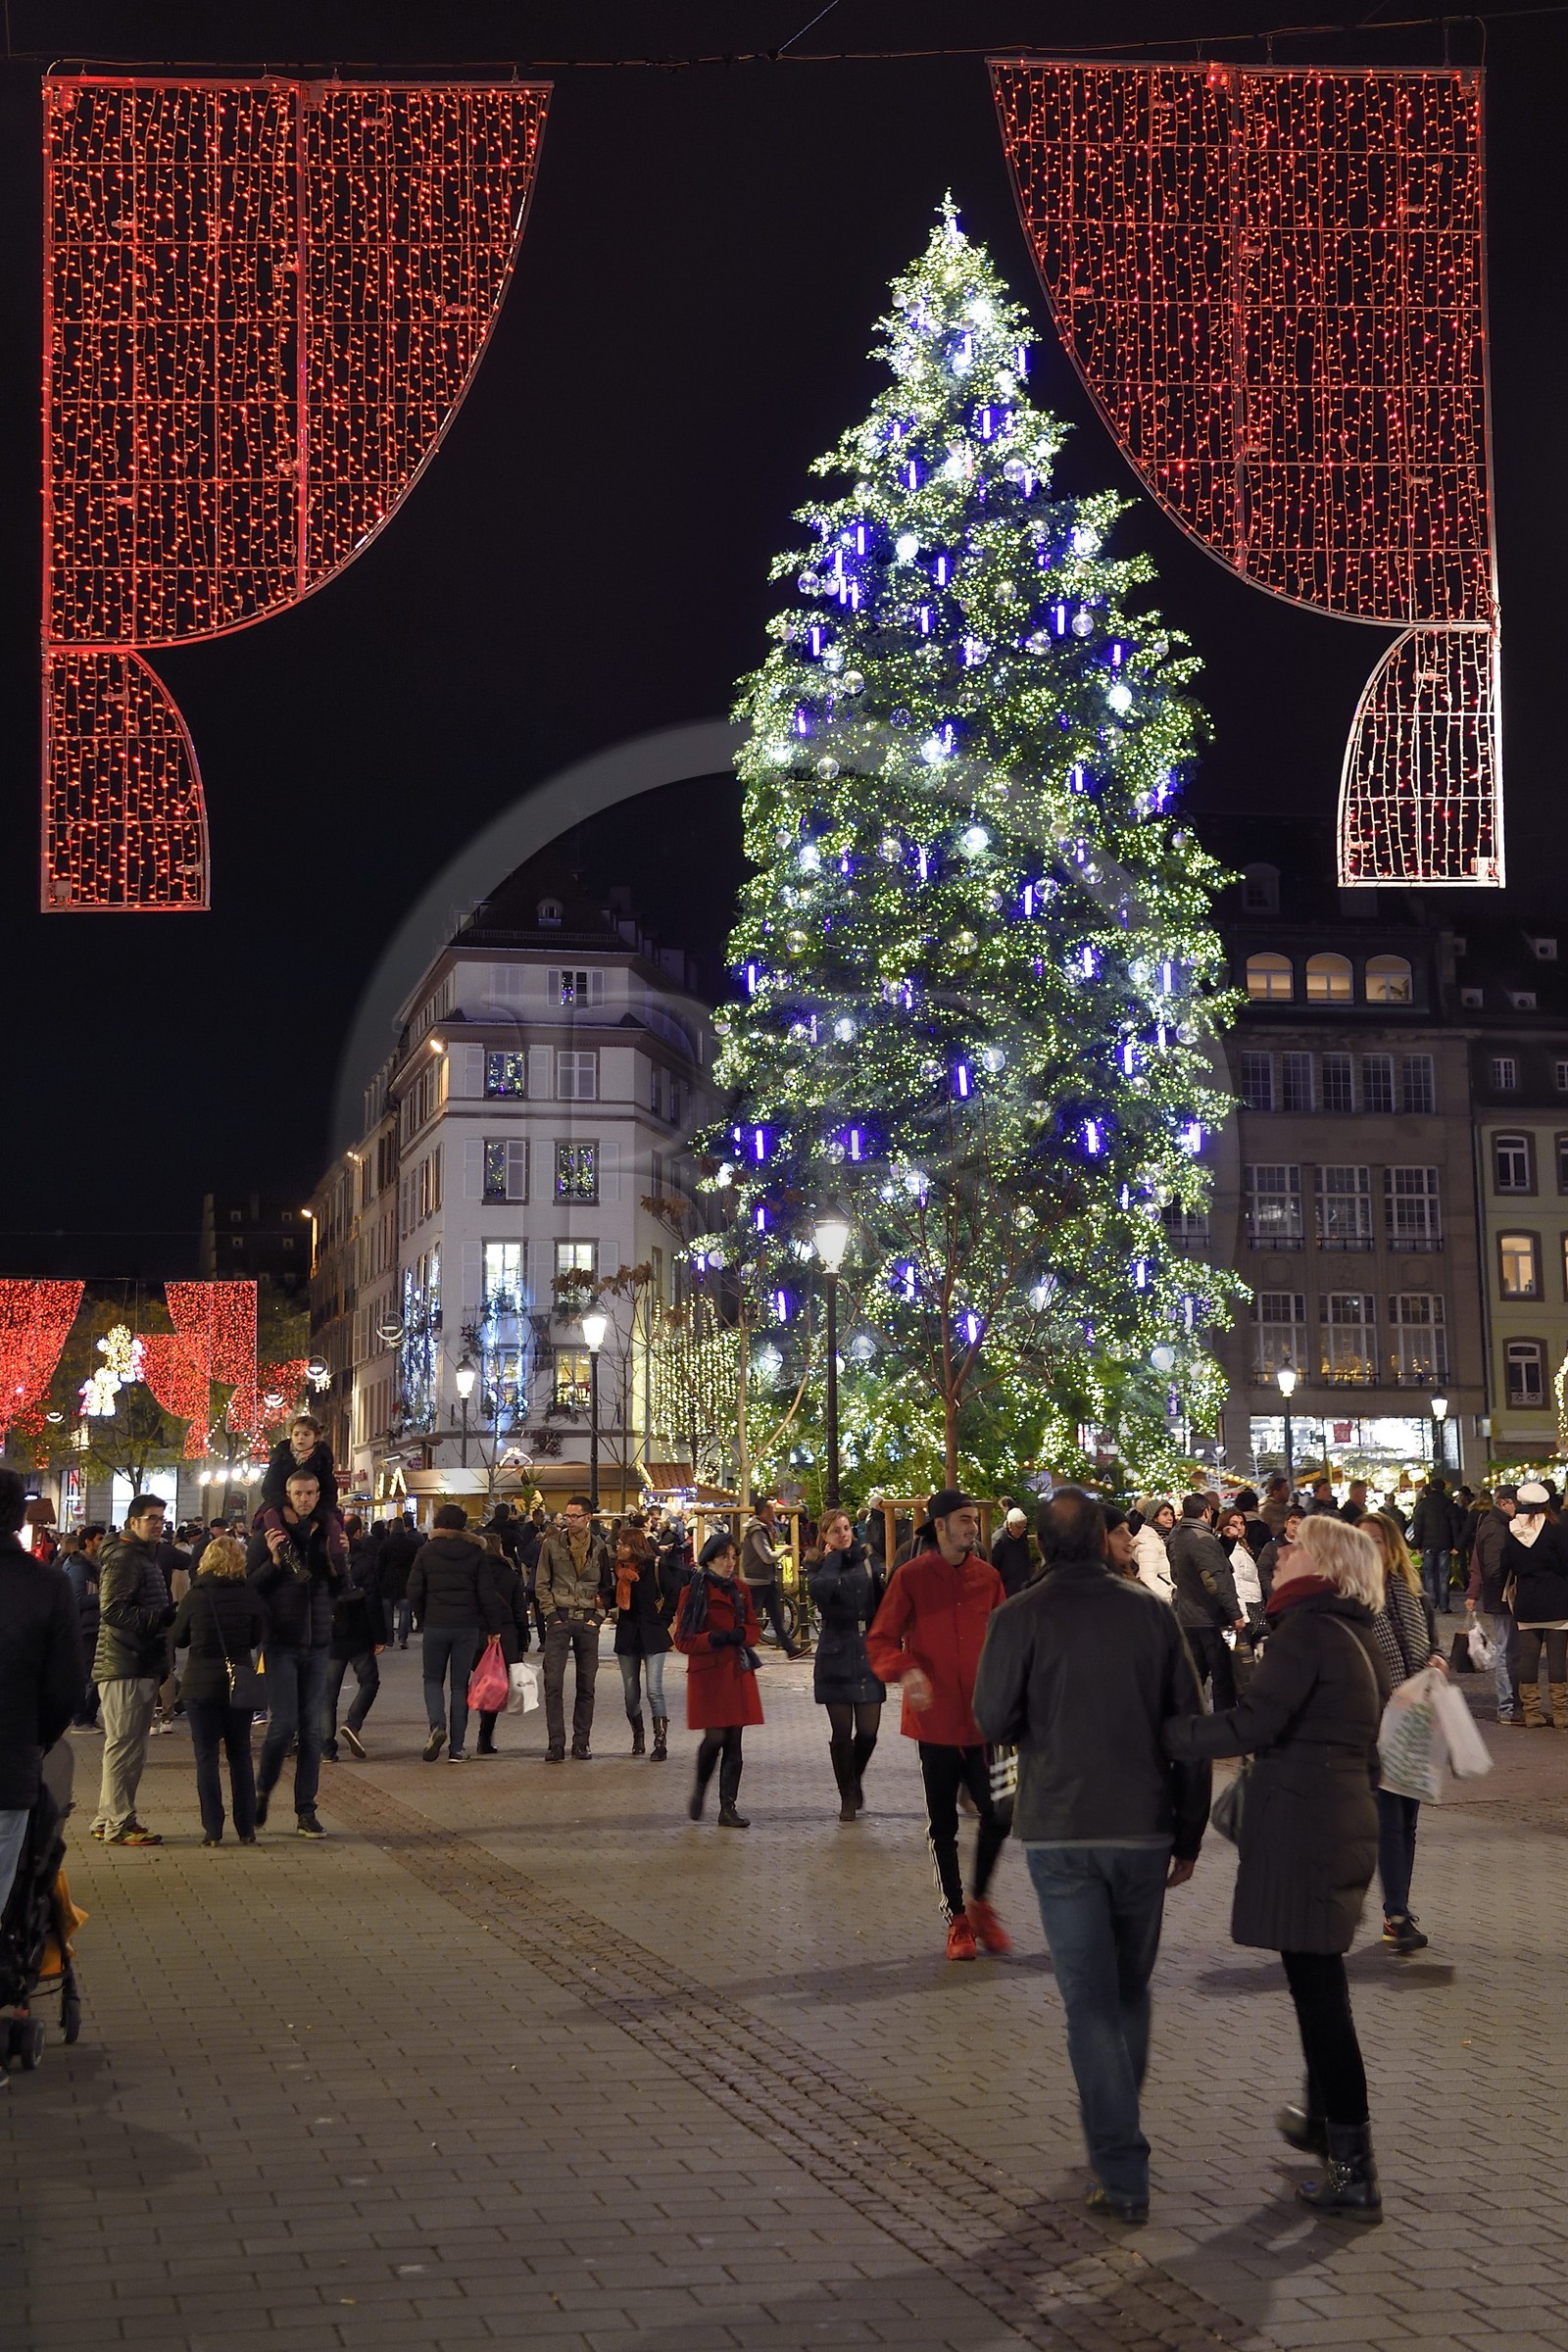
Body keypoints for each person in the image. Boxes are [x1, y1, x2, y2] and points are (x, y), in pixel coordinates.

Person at [973, 1488, 1208, 2225]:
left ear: (1039, 1544)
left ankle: (1119, 2162)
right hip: (1143, 1826)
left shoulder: (1017, 1617)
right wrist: (1190, 1829)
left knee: (1089, 2004)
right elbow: (1189, 1727)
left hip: (1061, 1827)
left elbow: (990, 1716)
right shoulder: (1148, 1612)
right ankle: (1116, 2133)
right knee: (1128, 1992)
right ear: (1104, 1538)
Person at [1163, 1513, 1391, 2221]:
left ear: (1321, 1562)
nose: (1278, 1553)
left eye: (1292, 1547)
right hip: (1338, 1815)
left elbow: (1255, 1723)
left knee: (1320, 1996)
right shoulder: (1350, 1631)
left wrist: (1169, 1732)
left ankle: (1354, 2166)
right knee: (1316, 1982)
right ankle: (1326, 2126)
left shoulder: (1308, 1632)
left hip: (1310, 1825)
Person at [864, 1489, 1009, 1960]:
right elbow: (881, 1639)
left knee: (1000, 1813)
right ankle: (957, 1920)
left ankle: (981, 1900)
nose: (973, 1527)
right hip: (936, 1724)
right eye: (964, 1520)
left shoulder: (988, 1578)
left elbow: (1007, 1642)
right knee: (942, 1823)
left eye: (975, 1519)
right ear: (940, 1525)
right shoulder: (911, 1577)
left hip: (987, 1721)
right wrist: (904, 1669)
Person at [1360, 1512, 1444, 1954]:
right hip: (1377, 1716)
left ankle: (1399, 1910)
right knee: (1389, 1818)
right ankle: (1395, 1912)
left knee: (1408, 1821)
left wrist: (1438, 1660)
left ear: (1391, 1544)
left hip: (1417, 1713)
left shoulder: (1413, 1591)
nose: (1368, 1547)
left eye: (1374, 1540)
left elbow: (1434, 1643)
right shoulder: (1352, 1594)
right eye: (1362, 1541)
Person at [0, 1467, 83, 1912]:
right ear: (19, 1518)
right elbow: (67, 1686)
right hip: (9, 1765)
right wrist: (35, 1740)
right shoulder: (46, 1585)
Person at [247, 1469, 346, 1836]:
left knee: (312, 1732)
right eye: (298, 1493)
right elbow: (250, 1586)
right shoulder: (268, 1534)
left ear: (318, 1494)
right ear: (288, 1495)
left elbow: (338, 1590)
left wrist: (339, 1563)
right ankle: (262, 1790)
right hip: (280, 1643)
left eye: (310, 1492)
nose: (305, 1499)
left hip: (318, 1643)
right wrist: (274, 1563)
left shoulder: (328, 1534)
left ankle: (306, 1810)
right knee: (283, 1725)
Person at [91, 1494, 176, 1845]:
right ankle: (118, 1823)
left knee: (126, 1746)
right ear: (132, 1522)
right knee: (125, 1747)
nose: (158, 1523)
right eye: (151, 1518)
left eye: (161, 1518)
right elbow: (112, 1609)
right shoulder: (127, 1557)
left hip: (135, 1661)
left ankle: (108, 1817)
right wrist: (161, 1618)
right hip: (125, 1663)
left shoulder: (141, 1555)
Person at [172, 1536, 267, 1845]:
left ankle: (213, 1830)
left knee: (206, 1757)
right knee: (241, 1754)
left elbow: (178, 1638)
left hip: (200, 1684)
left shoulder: (195, 1596)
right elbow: (256, 1638)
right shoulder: (249, 1595)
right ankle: (246, 1828)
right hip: (237, 1683)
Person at [673, 1529, 763, 1827]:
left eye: (733, 1557)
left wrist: (742, 1635)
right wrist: (714, 1638)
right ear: (709, 1560)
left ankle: (728, 1807)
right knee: (715, 1738)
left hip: (737, 1671)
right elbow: (683, 1640)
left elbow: (753, 1628)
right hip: (709, 1674)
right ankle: (700, 1788)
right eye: (724, 1557)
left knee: (735, 1740)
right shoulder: (692, 1591)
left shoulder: (741, 1590)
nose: (730, 1562)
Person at [407, 1505, 507, 1763]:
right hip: (467, 1626)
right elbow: (486, 1593)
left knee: (432, 1679)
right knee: (459, 1686)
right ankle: (457, 1749)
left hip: (435, 1625)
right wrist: (494, 1627)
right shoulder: (475, 1552)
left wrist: (422, 1616)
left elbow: (414, 1590)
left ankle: (437, 1726)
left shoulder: (426, 1551)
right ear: (463, 1524)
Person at [806, 1506, 886, 1821]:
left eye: (847, 1528)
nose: (844, 1534)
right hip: (835, 1653)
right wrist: (833, 1559)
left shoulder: (868, 1558)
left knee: (869, 1731)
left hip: (866, 1651)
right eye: (836, 1530)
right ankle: (847, 1794)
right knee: (842, 1731)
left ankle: (853, 1777)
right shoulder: (817, 1565)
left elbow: (884, 1596)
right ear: (825, 1536)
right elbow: (821, 1594)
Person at [534, 1495, 613, 1761]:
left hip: (587, 1621)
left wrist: (598, 1618)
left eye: (575, 1516)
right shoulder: (551, 1544)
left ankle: (582, 1742)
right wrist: (551, 1616)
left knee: (586, 1685)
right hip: (560, 1618)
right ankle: (555, 1743)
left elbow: (606, 1588)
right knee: (553, 1683)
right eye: (567, 1516)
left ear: (588, 1518)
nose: (569, 1521)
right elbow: (541, 1583)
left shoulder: (600, 1547)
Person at [1501, 1482, 1568, 1729]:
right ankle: (1561, 1713)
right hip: (1556, 1597)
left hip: (1527, 1599)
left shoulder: (1512, 1530)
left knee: (1528, 1658)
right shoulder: (1555, 1528)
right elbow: (1565, 1562)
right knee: (1557, 1657)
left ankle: (1532, 1712)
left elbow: (1505, 1563)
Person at [1165, 1494, 1244, 1707]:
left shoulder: (1177, 1536)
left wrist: (1226, 1542)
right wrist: (1235, 1613)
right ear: (1207, 1512)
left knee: (1195, 1676)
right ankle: (1222, 1725)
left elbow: (1187, 1571)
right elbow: (1215, 1578)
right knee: (1222, 1677)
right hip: (1209, 1617)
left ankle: (1187, 1720)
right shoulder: (1202, 1539)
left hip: (1187, 1614)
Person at [612, 1524, 680, 1761]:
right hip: (628, 1635)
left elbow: (674, 1592)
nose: (618, 1548)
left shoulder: (655, 1566)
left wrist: (663, 1620)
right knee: (631, 1694)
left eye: (622, 1544)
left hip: (653, 1634)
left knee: (654, 1691)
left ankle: (660, 1741)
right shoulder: (618, 1570)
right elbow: (614, 1597)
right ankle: (638, 1734)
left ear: (635, 1546)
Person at [323, 1517, 384, 1761]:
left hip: (330, 1635)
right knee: (369, 1681)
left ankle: (327, 1748)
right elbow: (372, 1601)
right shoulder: (365, 1563)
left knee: (328, 1694)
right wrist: (380, 1636)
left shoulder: (318, 1564)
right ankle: (353, 1721)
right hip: (358, 1633)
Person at [1466, 1484, 1520, 1725]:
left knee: (1509, 1650)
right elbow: (1492, 1567)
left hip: (1499, 1597)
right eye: (1516, 1503)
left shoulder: (1492, 1523)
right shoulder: (1497, 1527)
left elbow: (1479, 1564)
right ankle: (1507, 1706)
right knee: (1507, 1651)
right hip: (1502, 1598)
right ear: (1504, 1503)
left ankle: (1509, 1704)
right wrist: (1502, 1589)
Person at [740, 1495, 807, 1658]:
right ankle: (739, 1647)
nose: (775, 1511)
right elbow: (767, 1556)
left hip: (764, 1579)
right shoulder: (757, 1530)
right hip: (757, 1580)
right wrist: (783, 1550)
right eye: (772, 1508)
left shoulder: (762, 1527)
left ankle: (790, 1649)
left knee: (776, 1617)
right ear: (764, 1510)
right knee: (750, 1618)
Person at [62, 1525, 104, 1726]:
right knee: (88, 1673)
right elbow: (77, 1599)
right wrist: (105, 1596)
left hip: (94, 1625)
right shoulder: (78, 1568)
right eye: (99, 1539)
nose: (101, 1543)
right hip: (85, 1627)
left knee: (95, 1672)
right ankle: (81, 1716)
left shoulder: (95, 1565)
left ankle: (87, 1714)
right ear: (88, 1541)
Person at [261, 1413, 340, 1515]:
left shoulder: (323, 1459)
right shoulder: (280, 1456)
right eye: (296, 1434)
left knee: (333, 1525)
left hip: (314, 1510)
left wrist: (317, 1517)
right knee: (268, 1518)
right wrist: (284, 1507)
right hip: (282, 1506)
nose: (300, 1438)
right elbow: (269, 1487)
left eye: (306, 1434)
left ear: (315, 1437)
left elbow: (329, 1491)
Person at [1409, 1475, 1458, 1618]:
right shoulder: (1449, 1504)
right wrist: (1456, 1545)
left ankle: (1431, 1603)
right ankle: (1444, 1604)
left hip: (1428, 1543)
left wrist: (1416, 1544)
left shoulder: (1423, 1505)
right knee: (1444, 1575)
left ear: (1431, 1488)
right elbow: (1455, 1526)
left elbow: (1418, 1526)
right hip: (1445, 1543)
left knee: (1429, 1574)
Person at [1220, 1506, 1265, 1639]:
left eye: (1242, 1523)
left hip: (1253, 1602)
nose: (1240, 1528)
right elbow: (1235, 1582)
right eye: (1234, 1524)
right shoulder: (1232, 1549)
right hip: (1246, 1605)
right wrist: (1242, 1614)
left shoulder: (1244, 1545)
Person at [378, 1512, 421, 1647]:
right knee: (405, 1612)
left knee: (387, 1613)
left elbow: (380, 1565)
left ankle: (389, 1639)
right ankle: (403, 1638)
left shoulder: (385, 1544)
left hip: (387, 1582)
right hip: (405, 1582)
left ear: (392, 1528)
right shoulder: (412, 1544)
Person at [1256, 1504, 1304, 1604]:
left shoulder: (1309, 1550)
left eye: (1300, 1524)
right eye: (1293, 1522)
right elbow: (1263, 1571)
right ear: (1286, 1524)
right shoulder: (1272, 1547)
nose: (1296, 1527)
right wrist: (1273, 1592)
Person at [1130, 1499, 1175, 1602]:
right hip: (1162, 1598)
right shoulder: (1148, 1541)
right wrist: (1159, 1603)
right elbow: (1148, 1580)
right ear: (1154, 1517)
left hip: (1167, 1595)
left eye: (1171, 1514)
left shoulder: (1162, 1537)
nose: (1170, 1518)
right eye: (1165, 1514)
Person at [990, 1507, 1037, 1598]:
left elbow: (1026, 1559)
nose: (1021, 1530)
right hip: (1005, 1589)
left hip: (1021, 1586)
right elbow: (993, 1567)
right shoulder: (998, 1540)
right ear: (1010, 1524)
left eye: (1024, 1527)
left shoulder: (1022, 1536)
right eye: (1019, 1527)